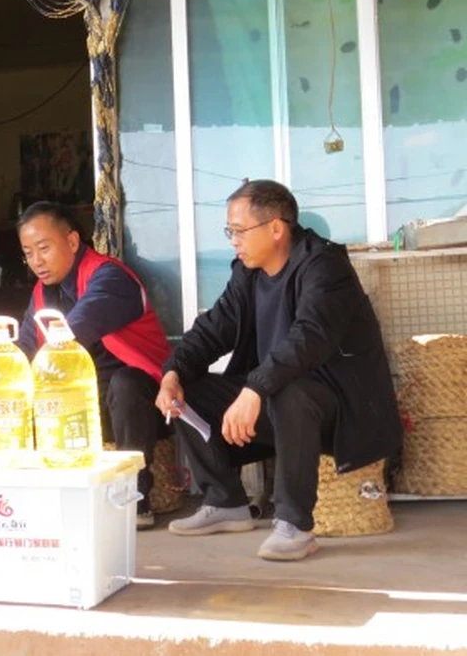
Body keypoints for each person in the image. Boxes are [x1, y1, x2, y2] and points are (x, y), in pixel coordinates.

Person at [156, 179, 402, 560]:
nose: (233, 241)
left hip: (340, 410)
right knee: (190, 392)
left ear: (275, 228)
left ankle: (294, 525)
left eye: (239, 230)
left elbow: (309, 337)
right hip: (279, 403)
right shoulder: (248, 272)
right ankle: (225, 501)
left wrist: (255, 388)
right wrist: (173, 373)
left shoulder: (324, 266)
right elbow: (213, 328)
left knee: (288, 391)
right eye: (229, 231)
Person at [16, 202, 172, 529]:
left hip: (146, 403)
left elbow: (73, 332)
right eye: (28, 253)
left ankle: (135, 498)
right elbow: (26, 347)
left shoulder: (109, 276)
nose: (36, 261)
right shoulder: (42, 293)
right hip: (89, 403)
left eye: (44, 248)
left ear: (73, 242)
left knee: (126, 384)